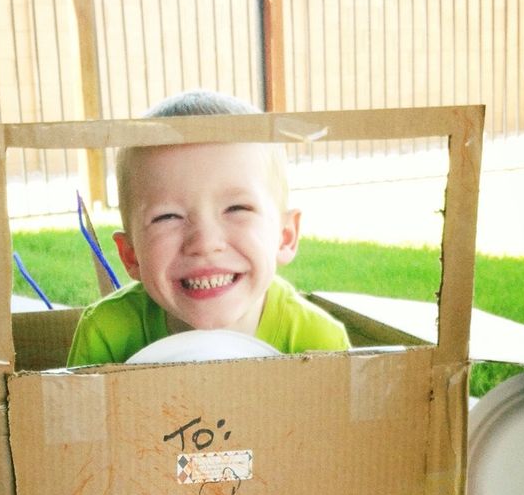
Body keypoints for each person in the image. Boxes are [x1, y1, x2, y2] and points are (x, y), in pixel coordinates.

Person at [66, 90, 351, 366]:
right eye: (167, 216)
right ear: (131, 256)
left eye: (237, 208)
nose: (204, 242)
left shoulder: (318, 343)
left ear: (285, 237)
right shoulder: (106, 334)